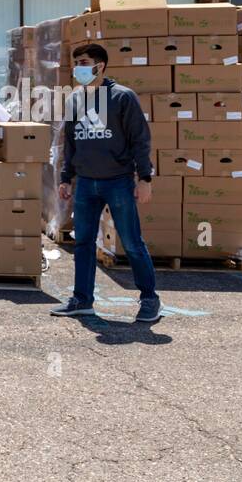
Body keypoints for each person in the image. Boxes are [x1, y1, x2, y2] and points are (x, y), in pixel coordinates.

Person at [52, 43, 159, 322]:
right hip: (87, 183)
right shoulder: (75, 99)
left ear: (100, 66)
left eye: (84, 62)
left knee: (132, 243)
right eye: (76, 62)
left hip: (118, 181)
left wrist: (145, 177)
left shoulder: (122, 97)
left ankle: (149, 299)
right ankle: (82, 299)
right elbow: (71, 143)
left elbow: (140, 139)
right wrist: (66, 178)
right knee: (84, 243)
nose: (79, 67)